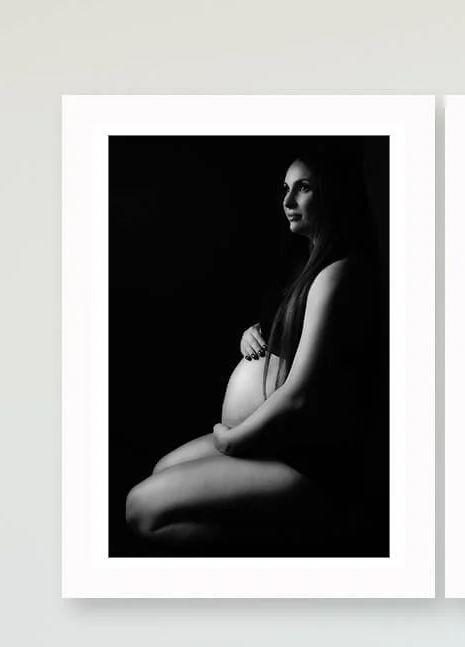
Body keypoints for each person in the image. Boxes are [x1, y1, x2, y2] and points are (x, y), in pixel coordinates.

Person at [123, 145, 388, 553]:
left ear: (333, 193)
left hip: (306, 461)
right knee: (162, 471)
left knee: (142, 507)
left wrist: (232, 441)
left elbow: (299, 396)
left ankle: (310, 543)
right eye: (285, 188)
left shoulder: (341, 273)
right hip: (274, 442)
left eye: (303, 187)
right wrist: (256, 333)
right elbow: (305, 347)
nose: (287, 200)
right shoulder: (312, 269)